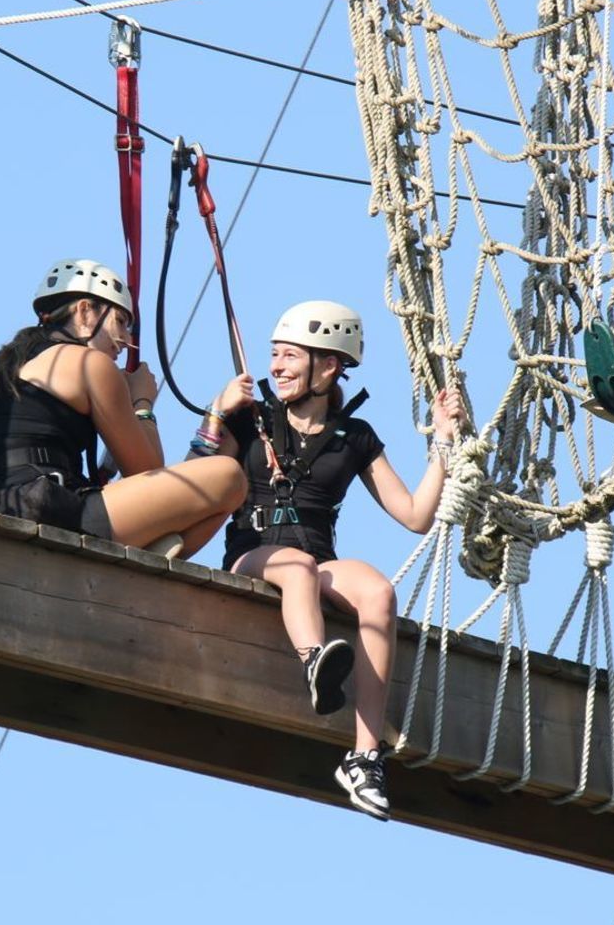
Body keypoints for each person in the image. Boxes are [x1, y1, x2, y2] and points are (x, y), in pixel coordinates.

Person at [190, 300, 464, 821]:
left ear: (330, 366)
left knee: (378, 592)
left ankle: (364, 758)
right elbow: (193, 478)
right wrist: (218, 412)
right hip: (255, 552)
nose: (277, 367)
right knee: (294, 566)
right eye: (275, 355)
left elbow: (415, 515)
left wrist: (443, 442)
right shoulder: (252, 420)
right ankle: (315, 659)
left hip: (317, 559)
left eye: (290, 356)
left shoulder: (354, 437)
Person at [0, 259, 247, 557]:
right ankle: (147, 554)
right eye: (121, 322)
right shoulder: (90, 365)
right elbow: (146, 471)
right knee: (228, 478)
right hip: (54, 512)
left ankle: (146, 548)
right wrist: (142, 402)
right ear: (86, 311)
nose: (126, 341)